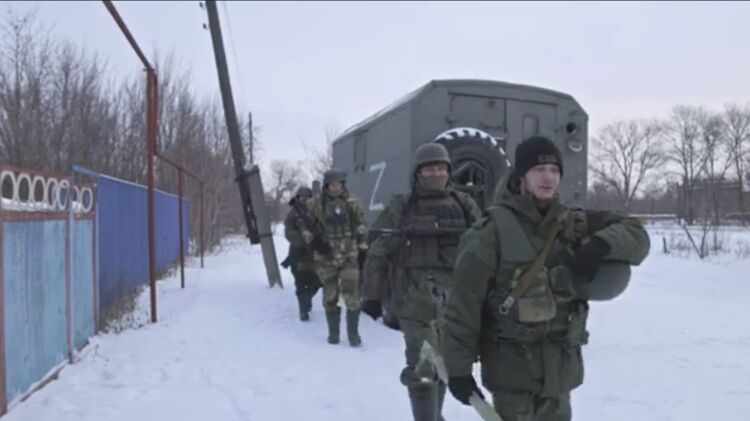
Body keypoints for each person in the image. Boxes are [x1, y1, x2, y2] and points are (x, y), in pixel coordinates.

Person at [441, 136, 650, 421]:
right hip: (513, 379)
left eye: (554, 170)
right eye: (539, 170)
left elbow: (636, 233)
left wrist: (601, 244)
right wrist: (458, 370)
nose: (548, 177)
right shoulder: (490, 233)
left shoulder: (571, 222)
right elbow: (463, 305)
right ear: (521, 177)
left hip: (560, 376)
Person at [362, 142, 481, 421]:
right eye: (429, 169)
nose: (435, 174)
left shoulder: (465, 205)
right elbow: (379, 250)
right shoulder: (402, 206)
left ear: (449, 171)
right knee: (422, 370)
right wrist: (372, 296)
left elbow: (485, 250)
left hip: (456, 304)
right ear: (418, 173)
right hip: (415, 303)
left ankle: (435, 414)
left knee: (449, 365)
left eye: (440, 168)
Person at [310, 168, 368, 346]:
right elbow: (307, 226)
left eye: (338, 184)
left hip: (349, 254)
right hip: (326, 256)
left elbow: (362, 224)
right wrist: (313, 241)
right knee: (330, 295)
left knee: (352, 294)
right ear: (327, 186)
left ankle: (353, 335)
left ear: (343, 185)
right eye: (332, 185)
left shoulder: (352, 202)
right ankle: (333, 334)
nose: (335, 188)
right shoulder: (316, 204)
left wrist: (362, 246)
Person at [282, 186, 322, 321]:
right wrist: (302, 239)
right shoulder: (293, 214)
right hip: (298, 252)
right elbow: (288, 232)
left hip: (315, 252)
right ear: (298, 198)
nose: (304, 200)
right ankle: (303, 309)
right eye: (302, 197)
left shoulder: (317, 212)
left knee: (318, 281)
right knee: (300, 282)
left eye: (307, 198)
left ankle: (307, 297)